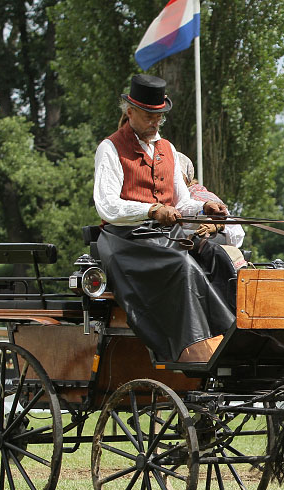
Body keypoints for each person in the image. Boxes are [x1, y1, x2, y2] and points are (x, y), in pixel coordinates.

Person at [93, 74, 237, 363]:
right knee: (182, 265)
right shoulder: (110, 148)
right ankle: (191, 347)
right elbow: (107, 206)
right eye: (149, 116)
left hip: (164, 238)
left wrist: (204, 208)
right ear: (129, 112)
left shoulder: (168, 149)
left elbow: (182, 201)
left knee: (217, 258)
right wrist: (151, 210)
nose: (155, 123)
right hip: (126, 242)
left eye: (159, 117)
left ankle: (231, 335)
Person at [175, 152, 248, 269]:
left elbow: (237, 233)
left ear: (187, 179)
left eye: (176, 176)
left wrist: (218, 225)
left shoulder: (200, 195)